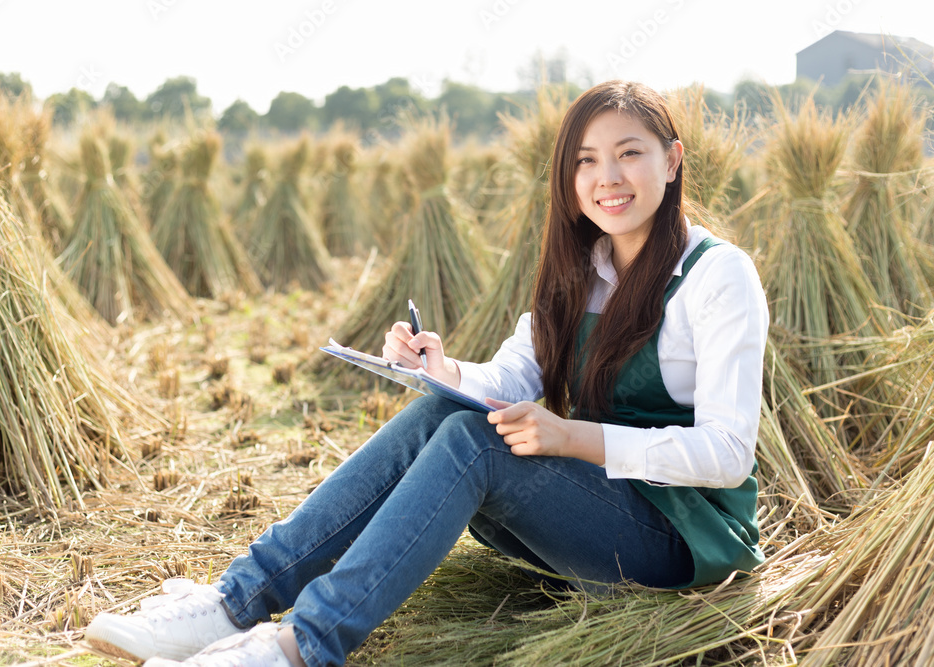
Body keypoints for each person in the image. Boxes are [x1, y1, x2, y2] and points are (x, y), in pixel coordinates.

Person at [84, 80, 769, 667]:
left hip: (681, 540)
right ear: (568, 177)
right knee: (452, 414)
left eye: (629, 155)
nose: (607, 178)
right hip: (599, 510)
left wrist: (573, 438)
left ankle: (303, 643)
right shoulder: (582, 269)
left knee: (475, 443)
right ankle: (236, 601)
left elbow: (730, 454)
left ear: (673, 161)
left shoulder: (717, 276)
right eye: (587, 161)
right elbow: (511, 377)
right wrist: (440, 368)